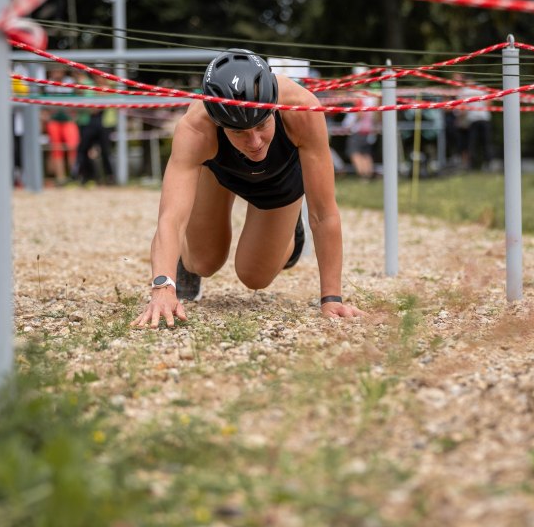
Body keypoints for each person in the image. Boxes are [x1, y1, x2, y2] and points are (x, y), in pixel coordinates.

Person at [132, 48, 364, 328]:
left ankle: (290, 234)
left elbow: (323, 213)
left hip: (279, 182)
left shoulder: (302, 108)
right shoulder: (196, 128)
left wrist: (332, 299)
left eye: (262, 124)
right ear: (218, 123)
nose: (254, 142)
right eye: (238, 131)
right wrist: (162, 288)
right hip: (220, 172)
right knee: (204, 261)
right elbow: (171, 217)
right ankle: (186, 264)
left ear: (274, 108)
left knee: (254, 276)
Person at [43, 64, 80, 184]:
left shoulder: (70, 82)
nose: (56, 73)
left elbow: (75, 100)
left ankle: (74, 176)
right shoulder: (48, 84)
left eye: (59, 70)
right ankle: (60, 178)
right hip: (54, 120)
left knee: (72, 147)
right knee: (56, 149)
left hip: (68, 120)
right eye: (54, 70)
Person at [343, 65, 379, 180]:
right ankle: (368, 176)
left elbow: (359, 114)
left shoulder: (359, 93)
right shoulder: (372, 93)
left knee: (354, 153)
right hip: (369, 129)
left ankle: (364, 177)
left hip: (358, 128)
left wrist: (350, 125)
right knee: (366, 153)